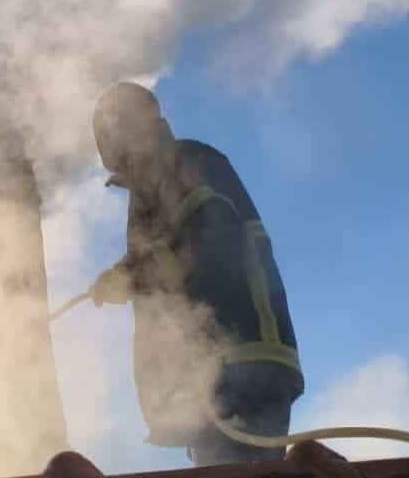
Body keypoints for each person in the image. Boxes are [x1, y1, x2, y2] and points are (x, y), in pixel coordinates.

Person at [88, 82, 304, 466]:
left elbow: (208, 246)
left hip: (241, 363)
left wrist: (131, 277)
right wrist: (127, 273)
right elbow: (172, 257)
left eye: (122, 156)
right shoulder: (155, 185)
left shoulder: (186, 163)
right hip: (219, 369)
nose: (123, 170)